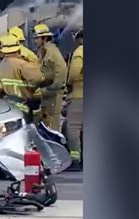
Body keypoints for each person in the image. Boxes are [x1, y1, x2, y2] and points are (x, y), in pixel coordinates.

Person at [0, 34, 49, 123]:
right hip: (26, 107)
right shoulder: (22, 65)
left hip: (11, 105)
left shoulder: (2, 65)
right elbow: (39, 79)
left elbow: (3, 83)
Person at [33, 23, 67, 131]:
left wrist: (51, 88)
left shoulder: (53, 52)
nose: (35, 41)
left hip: (53, 93)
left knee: (52, 123)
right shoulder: (42, 51)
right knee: (46, 121)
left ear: (45, 38)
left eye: (37, 38)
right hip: (46, 93)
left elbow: (61, 71)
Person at [65, 28, 83, 171]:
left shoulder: (80, 51)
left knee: (73, 128)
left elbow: (74, 73)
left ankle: (75, 160)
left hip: (79, 94)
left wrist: (69, 82)